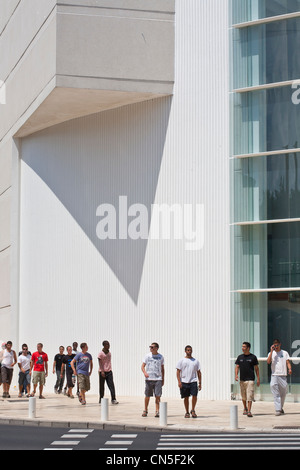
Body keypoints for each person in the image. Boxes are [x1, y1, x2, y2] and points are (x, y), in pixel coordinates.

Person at [267, 339, 292, 416]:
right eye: (275, 345)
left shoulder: (284, 353)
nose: (276, 347)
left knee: (283, 393)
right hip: (274, 375)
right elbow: (268, 362)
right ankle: (278, 409)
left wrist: (290, 369)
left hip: (283, 375)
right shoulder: (271, 353)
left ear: (280, 345)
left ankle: (280, 407)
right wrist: (271, 351)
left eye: (277, 345)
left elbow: (288, 362)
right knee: (275, 391)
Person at [235, 342, 260, 417]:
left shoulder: (253, 357)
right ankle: (245, 408)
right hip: (242, 379)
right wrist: (236, 375)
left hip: (250, 379)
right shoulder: (240, 357)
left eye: (244, 347)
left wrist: (258, 378)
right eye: (242, 346)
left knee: (250, 395)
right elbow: (237, 367)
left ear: (248, 348)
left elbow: (256, 369)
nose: (242, 348)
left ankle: (249, 410)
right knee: (243, 396)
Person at [176, 345, 201, 418]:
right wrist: (179, 382)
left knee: (194, 396)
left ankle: (193, 410)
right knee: (186, 397)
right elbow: (178, 371)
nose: (189, 352)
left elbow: (199, 372)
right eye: (188, 350)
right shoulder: (181, 360)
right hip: (184, 381)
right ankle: (187, 412)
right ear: (185, 351)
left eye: (190, 350)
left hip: (193, 381)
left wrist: (200, 383)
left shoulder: (195, 361)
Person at [141, 342, 164, 418]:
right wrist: (145, 373)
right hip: (149, 379)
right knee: (147, 395)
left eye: (152, 347)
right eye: (150, 347)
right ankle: (145, 410)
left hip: (158, 379)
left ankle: (157, 411)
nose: (151, 348)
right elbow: (142, 366)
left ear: (156, 348)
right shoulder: (147, 356)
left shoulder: (160, 357)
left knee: (158, 396)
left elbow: (162, 368)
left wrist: (163, 378)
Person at [98, 340, 119, 405]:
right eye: (107, 345)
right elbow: (100, 363)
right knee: (102, 386)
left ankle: (113, 399)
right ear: (104, 345)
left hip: (109, 371)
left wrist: (109, 369)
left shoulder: (109, 353)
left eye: (109, 344)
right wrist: (102, 371)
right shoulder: (100, 353)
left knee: (111, 385)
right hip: (102, 372)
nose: (108, 346)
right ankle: (101, 398)